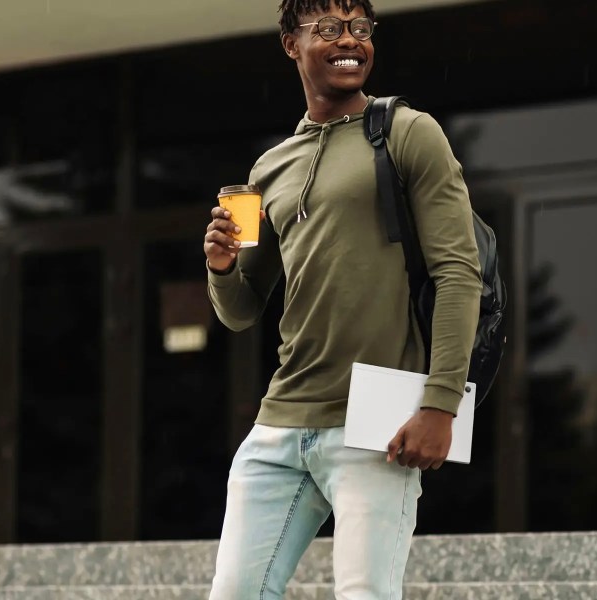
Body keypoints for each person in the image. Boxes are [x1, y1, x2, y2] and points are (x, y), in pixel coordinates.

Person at [203, 0, 482, 597]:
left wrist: (441, 404)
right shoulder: (270, 167)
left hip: (376, 424)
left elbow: (460, 273)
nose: (348, 40)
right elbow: (242, 310)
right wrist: (222, 268)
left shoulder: (407, 132)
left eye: (359, 27)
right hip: (280, 423)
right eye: (327, 29)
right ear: (290, 44)